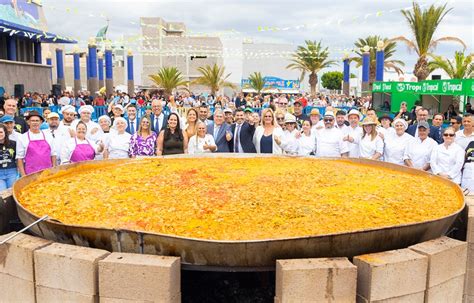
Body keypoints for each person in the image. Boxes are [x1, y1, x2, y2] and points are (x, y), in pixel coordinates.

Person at [16, 111, 56, 176]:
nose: (35, 123)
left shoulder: (48, 135)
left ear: (41, 122)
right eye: (32, 121)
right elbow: (20, 158)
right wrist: (23, 175)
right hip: (30, 173)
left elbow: (53, 154)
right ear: (28, 122)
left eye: (37, 121)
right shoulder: (22, 137)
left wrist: (54, 169)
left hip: (48, 172)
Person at [0, 124, 17, 190]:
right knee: (2, 194)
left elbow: (18, 158)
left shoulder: (13, 143)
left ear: (5, 132)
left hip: (12, 172)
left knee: (12, 193)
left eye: (1, 132)